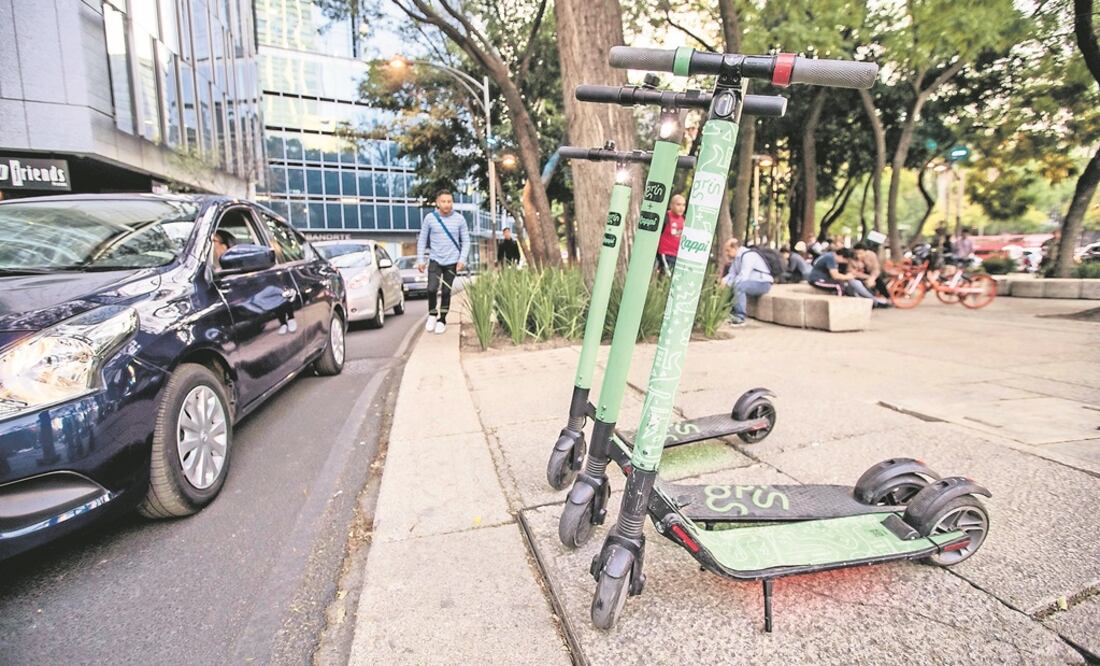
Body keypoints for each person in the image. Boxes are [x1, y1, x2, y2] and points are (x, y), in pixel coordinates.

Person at [417, 190, 470, 335]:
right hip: (435, 259)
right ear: (438, 203)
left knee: (447, 291)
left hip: (452, 261)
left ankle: (442, 320)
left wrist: (462, 259)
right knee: (431, 289)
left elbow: (466, 241)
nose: (447, 204)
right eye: (444, 201)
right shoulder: (429, 218)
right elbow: (422, 239)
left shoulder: (459, 219)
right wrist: (421, 259)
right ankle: (433, 314)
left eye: (449, 201)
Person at [809, 247, 890, 307]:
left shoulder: (831, 256)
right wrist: (848, 277)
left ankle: (870, 301)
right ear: (841, 256)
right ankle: (839, 306)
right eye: (845, 260)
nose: (845, 263)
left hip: (825, 279)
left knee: (850, 284)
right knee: (839, 286)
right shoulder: (830, 258)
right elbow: (835, 275)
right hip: (818, 279)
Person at [722, 237, 773, 326]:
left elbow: (743, 276)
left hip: (762, 283)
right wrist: (724, 281)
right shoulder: (736, 259)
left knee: (739, 286)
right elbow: (732, 274)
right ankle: (730, 313)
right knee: (733, 285)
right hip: (750, 282)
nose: (727, 253)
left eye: (728, 250)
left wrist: (730, 283)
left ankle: (740, 317)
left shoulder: (748, 255)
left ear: (735, 248)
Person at [656, 193, 686, 275]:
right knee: (665, 277)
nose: (681, 208)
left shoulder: (684, 219)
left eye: (683, 205)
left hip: (677, 255)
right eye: (678, 204)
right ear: (671, 205)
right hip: (665, 254)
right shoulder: (665, 217)